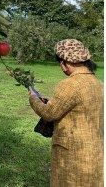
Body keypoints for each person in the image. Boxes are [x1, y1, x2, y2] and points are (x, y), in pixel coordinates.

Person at [28, 39, 103, 187]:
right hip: (95, 152)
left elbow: (49, 113)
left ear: (64, 63)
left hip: (72, 154)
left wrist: (33, 98)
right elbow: (76, 105)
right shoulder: (98, 83)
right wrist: (48, 100)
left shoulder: (70, 84)